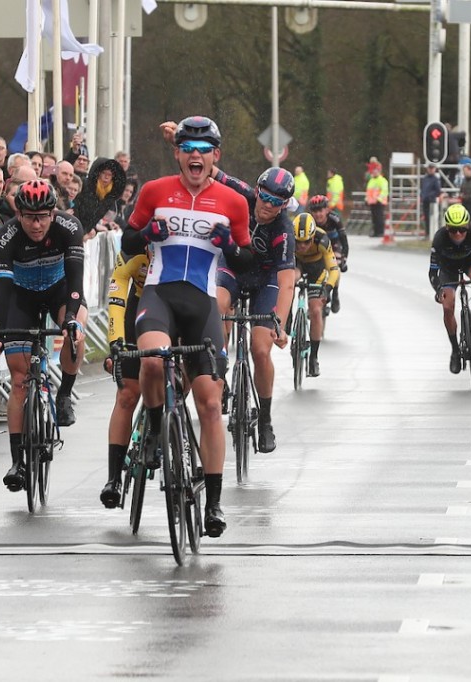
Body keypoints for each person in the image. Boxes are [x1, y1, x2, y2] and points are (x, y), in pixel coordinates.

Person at [120, 115, 253, 537]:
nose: (195, 157)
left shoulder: (234, 201)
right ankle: (158, 428)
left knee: (210, 404)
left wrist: (229, 245)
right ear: (177, 153)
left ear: (215, 156)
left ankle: (213, 502)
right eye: (187, 149)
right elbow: (127, 241)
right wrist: (146, 236)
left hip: (202, 303)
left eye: (203, 151)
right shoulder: (155, 191)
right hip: (159, 296)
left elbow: (247, 259)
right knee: (155, 363)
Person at [0, 180, 87, 492]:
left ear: (53, 212)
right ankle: (17, 461)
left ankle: (65, 393)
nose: (36, 224)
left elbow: (75, 284)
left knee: (76, 331)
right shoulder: (6, 236)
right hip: (21, 296)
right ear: (19, 215)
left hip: (60, 291)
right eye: (29, 217)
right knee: (19, 381)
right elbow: (1, 293)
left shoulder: (69, 227)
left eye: (43, 216)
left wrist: (70, 319)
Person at [212, 165, 296, 453]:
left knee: (260, 349)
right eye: (263, 197)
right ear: (257, 191)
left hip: (266, 280)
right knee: (218, 306)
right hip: (234, 268)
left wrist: (280, 325)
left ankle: (265, 419)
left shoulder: (284, 231)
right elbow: (210, 170)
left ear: (284, 205)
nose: (266, 206)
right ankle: (219, 373)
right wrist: (178, 139)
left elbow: (286, 283)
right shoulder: (244, 195)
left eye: (275, 203)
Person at [99, 249, 150, 507]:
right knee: (128, 394)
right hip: (140, 307)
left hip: (180, 306)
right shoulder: (135, 245)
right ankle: (113, 478)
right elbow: (117, 295)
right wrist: (115, 343)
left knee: (183, 373)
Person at [428, 204, 471, 375]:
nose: (458, 234)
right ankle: (455, 351)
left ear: (468, 227)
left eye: (462, 230)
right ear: (447, 227)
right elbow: (433, 272)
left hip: (470, 261)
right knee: (447, 306)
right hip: (448, 269)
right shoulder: (439, 239)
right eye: (453, 230)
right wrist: (438, 289)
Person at [292, 213, 339, 378]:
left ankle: (313, 357)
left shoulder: (322, 239)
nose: (302, 246)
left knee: (316, 309)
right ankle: (289, 321)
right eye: (298, 242)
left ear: (313, 237)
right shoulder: (289, 238)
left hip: (316, 269)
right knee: (290, 279)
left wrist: (328, 289)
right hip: (297, 265)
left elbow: (334, 269)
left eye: (306, 242)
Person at [305, 194, 348, 313]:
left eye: (320, 210)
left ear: (327, 210)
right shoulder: (310, 221)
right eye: (314, 211)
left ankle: (335, 293)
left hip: (334, 244)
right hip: (319, 246)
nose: (318, 214)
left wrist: (344, 259)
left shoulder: (335, 219)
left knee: (336, 264)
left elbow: (344, 240)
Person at [365, 162, 389, 237]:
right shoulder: (371, 181)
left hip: (379, 202)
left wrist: (379, 199)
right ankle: (375, 232)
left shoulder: (382, 180)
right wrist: (366, 199)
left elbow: (384, 191)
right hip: (372, 202)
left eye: (376, 171)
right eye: (373, 171)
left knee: (379, 218)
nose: (374, 172)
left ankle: (380, 232)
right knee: (374, 218)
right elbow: (369, 192)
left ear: (379, 171)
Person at [420, 163, 443, 232]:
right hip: (425, 201)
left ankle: (432, 232)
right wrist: (422, 195)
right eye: (429, 168)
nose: (431, 170)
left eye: (432, 168)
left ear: (434, 169)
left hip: (432, 202)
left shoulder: (435, 179)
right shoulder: (425, 178)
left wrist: (430, 195)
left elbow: (438, 191)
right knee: (426, 218)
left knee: (432, 218)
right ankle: (427, 233)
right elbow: (422, 188)